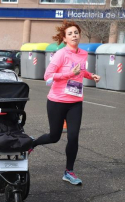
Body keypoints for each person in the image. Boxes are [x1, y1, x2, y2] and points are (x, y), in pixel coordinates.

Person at [31, 21, 101, 186]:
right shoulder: (61, 54)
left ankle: (69, 171)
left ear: (79, 35)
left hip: (75, 101)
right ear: (64, 38)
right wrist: (69, 74)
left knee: (73, 136)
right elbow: (47, 75)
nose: (74, 35)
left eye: (76, 32)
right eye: (70, 33)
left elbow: (81, 70)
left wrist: (91, 76)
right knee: (54, 136)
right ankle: (32, 143)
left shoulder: (83, 53)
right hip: (57, 100)